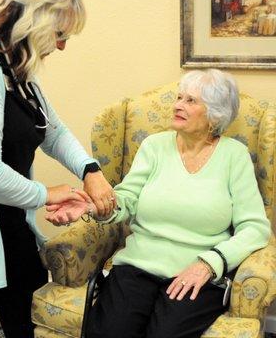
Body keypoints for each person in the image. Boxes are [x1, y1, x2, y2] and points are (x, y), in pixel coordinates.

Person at [46, 69, 271, 338]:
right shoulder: (154, 147)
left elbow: (255, 228)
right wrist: (94, 207)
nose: (177, 105)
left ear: (214, 114)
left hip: (195, 271)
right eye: (179, 97)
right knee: (109, 332)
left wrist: (209, 264)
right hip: (137, 265)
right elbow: (126, 199)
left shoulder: (234, 156)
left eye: (191, 101)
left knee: (165, 333)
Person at [0, 0, 115, 338]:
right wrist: (47, 194)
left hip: (9, 219)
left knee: (24, 313)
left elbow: (52, 131)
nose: (61, 46)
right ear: (34, 22)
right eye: (60, 35)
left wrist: (90, 170)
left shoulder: (15, 65)